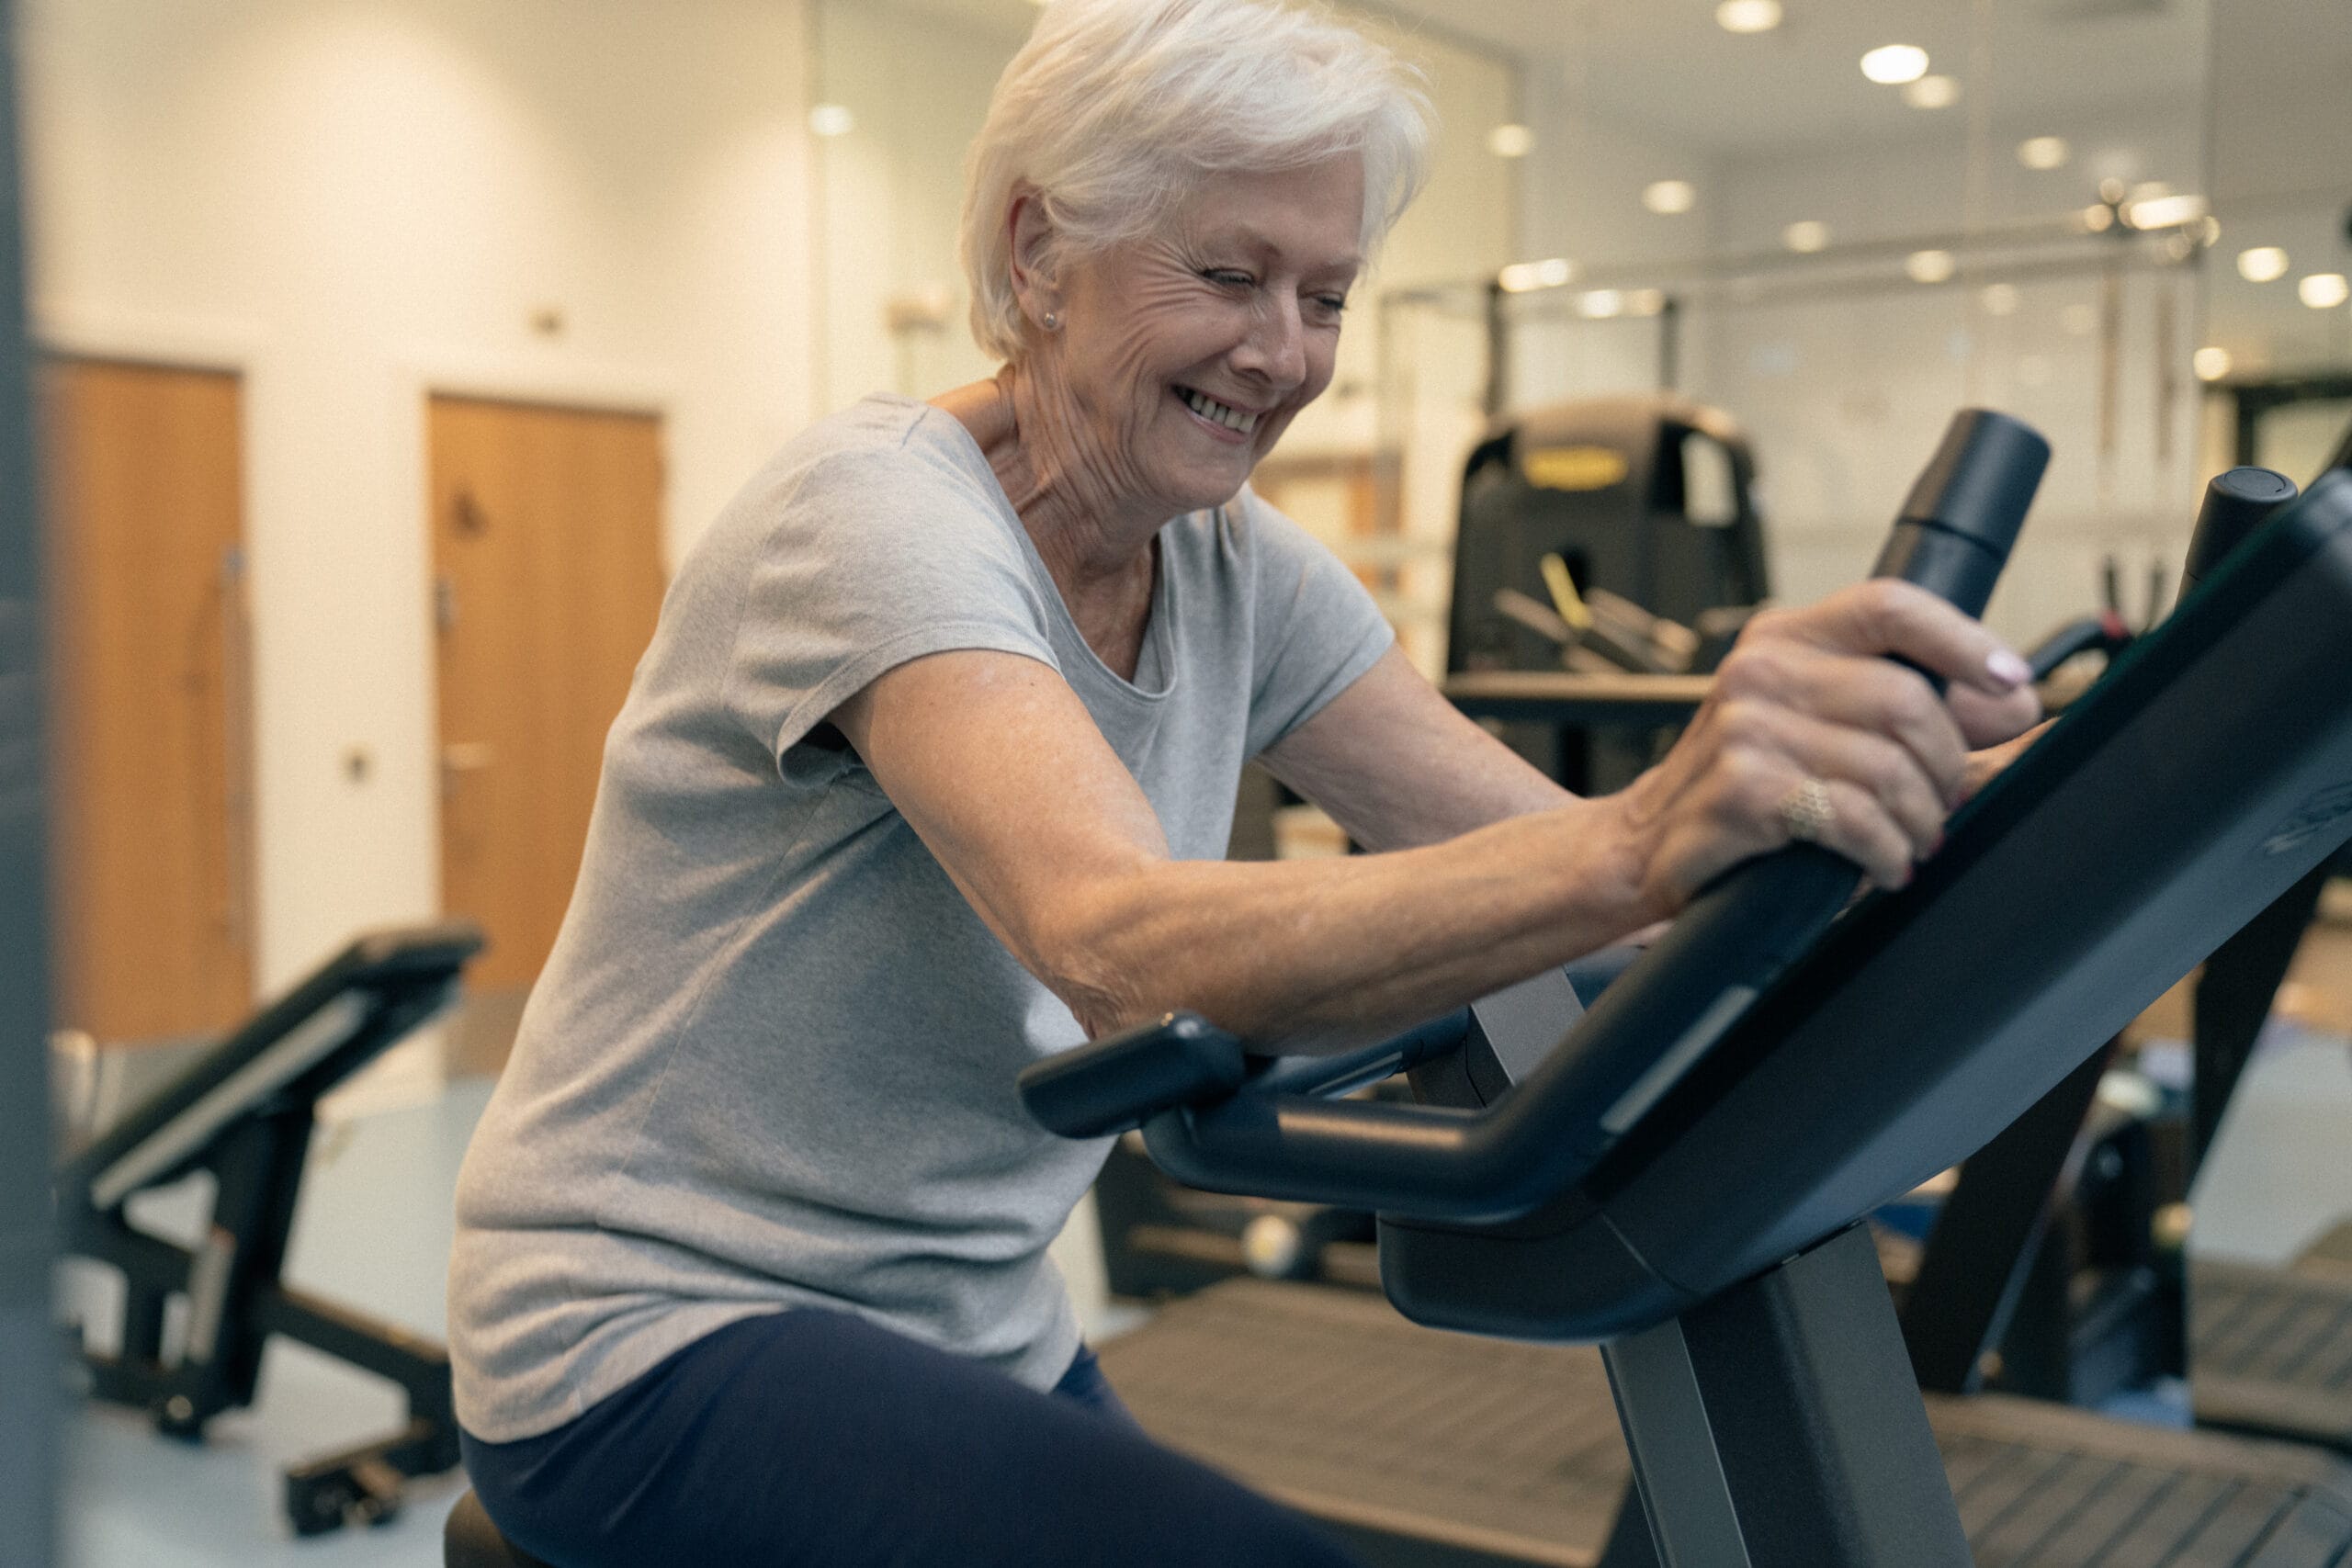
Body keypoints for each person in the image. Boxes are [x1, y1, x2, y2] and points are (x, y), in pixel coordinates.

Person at [447, 0, 2041, 1562]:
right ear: (1036, 254)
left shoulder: (1231, 567)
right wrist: (1652, 833)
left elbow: (1551, 857)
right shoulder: (872, 521)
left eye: (1325, 296)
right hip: (646, 1334)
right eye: (1227, 275)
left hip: (972, 1325)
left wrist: (1976, 786)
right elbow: (1118, 943)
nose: (1282, 353)